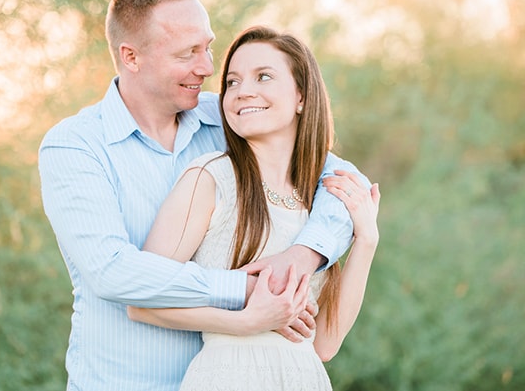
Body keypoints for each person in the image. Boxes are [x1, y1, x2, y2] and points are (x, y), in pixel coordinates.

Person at [38, 0, 364, 391]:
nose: (208, 68)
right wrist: (245, 291)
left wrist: (305, 254)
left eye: (207, 47)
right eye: (188, 53)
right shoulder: (76, 146)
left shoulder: (226, 118)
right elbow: (112, 272)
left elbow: (342, 177)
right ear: (131, 57)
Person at [127, 26, 380, 390]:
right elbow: (141, 302)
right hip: (228, 375)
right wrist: (248, 321)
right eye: (232, 81)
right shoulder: (210, 178)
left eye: (264, 76)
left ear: (301, 97)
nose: (243, 91)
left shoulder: (319, 203)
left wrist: (366, 240)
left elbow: (324, 343)